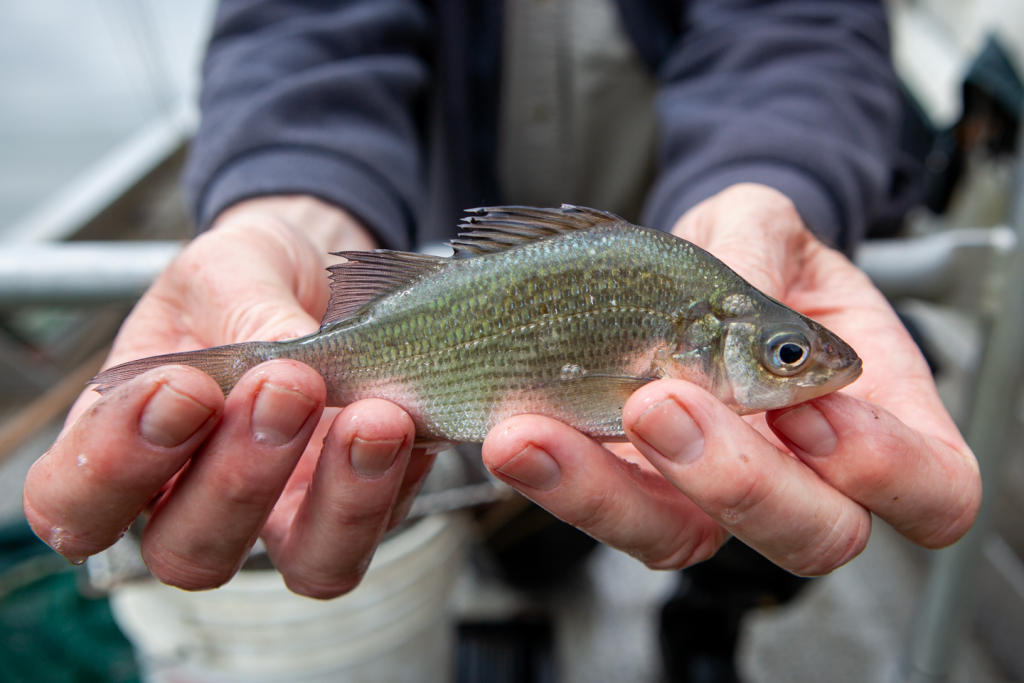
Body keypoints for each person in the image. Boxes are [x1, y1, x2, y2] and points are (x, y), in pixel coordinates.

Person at [23, 0, 979, 608]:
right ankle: (529, 588)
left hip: (665, 210)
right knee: (527, 522)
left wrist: (777, 186)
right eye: (785, 356)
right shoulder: (679, 317)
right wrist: (286, 205)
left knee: (745, 533)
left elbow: (800, 27)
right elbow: (300, 30)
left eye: (786, 356)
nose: (799, 369)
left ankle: (711, 631)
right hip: (429, 243)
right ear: (705, 338)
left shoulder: (704, 290)